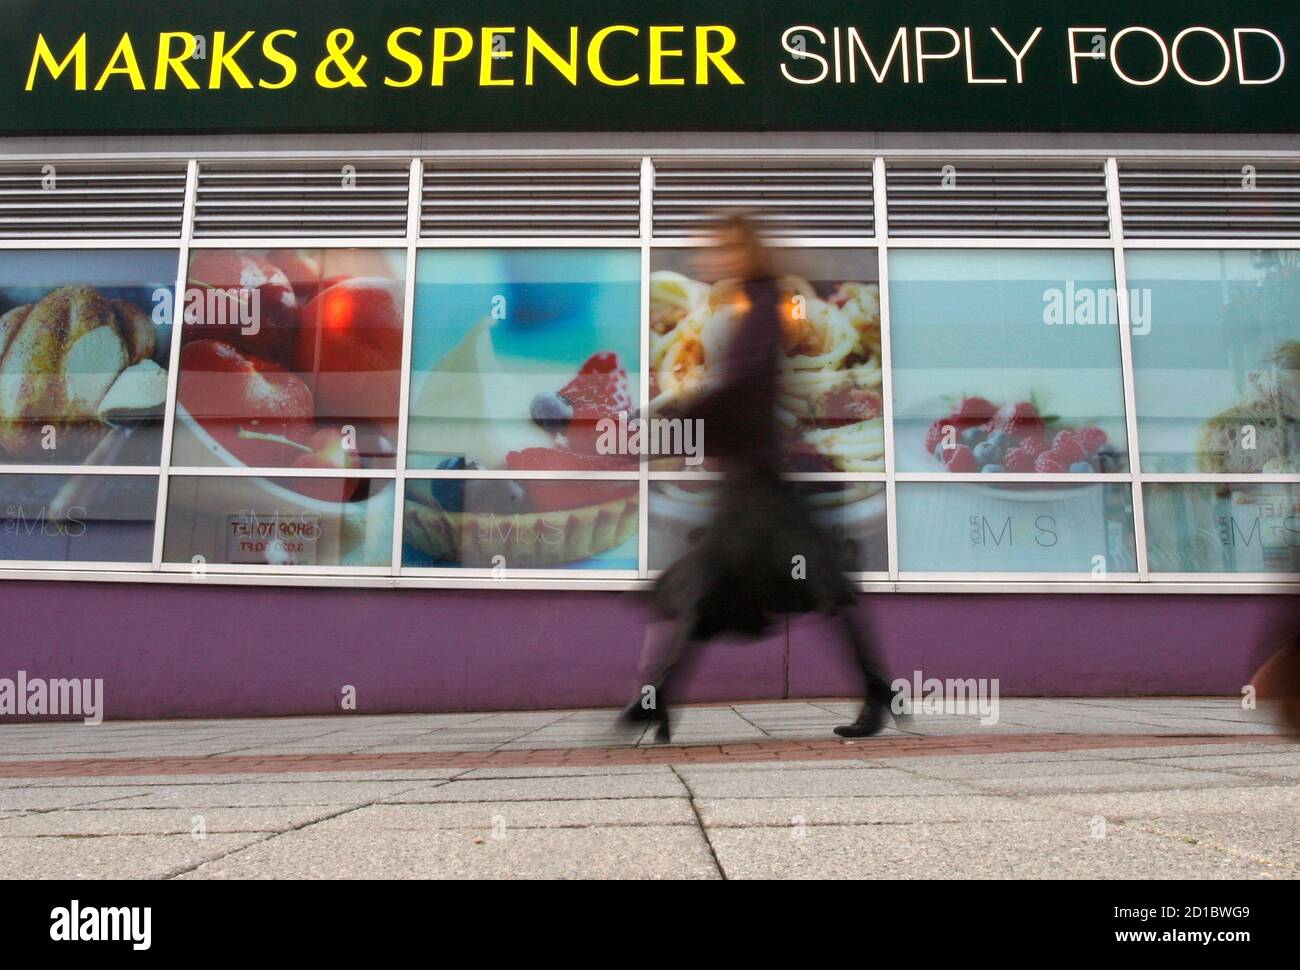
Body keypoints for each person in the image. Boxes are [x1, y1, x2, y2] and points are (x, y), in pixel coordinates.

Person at [621, 213, 900, 742]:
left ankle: (654, 699)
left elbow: (747, 384)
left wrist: (671, 420)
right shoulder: (754, 299)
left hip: (759, 478)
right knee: (727, 585)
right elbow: (738, 388)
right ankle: (654, 699)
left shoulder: (766, 302)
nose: (710, 259)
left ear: (744, 251)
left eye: (720, 249)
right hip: (752, 476)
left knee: (776, 585)